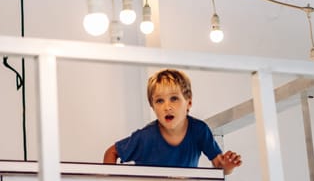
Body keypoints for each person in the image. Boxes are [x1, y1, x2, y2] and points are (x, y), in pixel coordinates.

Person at [103, 69, 242, 175]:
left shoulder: (199, 130)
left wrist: (227, 166)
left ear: (189, 103)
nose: (167, 107)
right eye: (159, 101)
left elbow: (219, 167)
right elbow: (112, 152)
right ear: (153, 107)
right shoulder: (145, 137)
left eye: (174, 99)